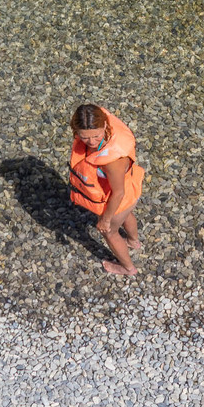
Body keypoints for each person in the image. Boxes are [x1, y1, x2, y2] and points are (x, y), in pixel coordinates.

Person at [69, 103, 146, 278]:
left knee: (110, 232)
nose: (91, 142)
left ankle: (127, 268)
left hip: (120, 197)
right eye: (84, 137)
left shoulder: (112, 160)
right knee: (127, 214)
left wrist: (106, 219)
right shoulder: (103, 132)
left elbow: (118, 193)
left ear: (104, 125)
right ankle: (134, 242)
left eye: (96, 136)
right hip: (131, 188)